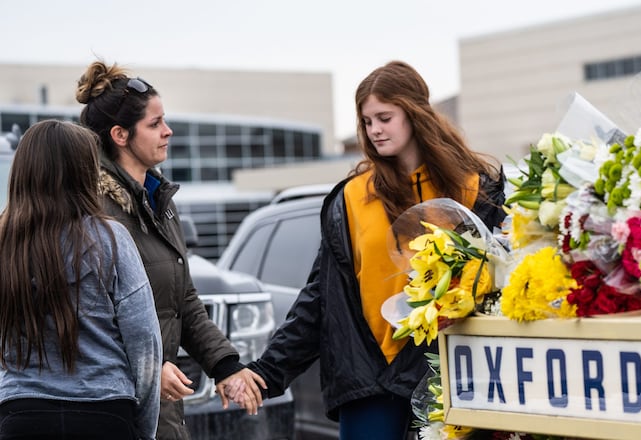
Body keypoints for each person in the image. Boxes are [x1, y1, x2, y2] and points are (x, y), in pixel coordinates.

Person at [233, 60, 506, 439]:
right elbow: (319, 299)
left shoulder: (474, 187)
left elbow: (503, 276)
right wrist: (267, 372)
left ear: (415, 114)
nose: (374, 130)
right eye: (366, 121)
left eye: (384, 117)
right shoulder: (352, 198)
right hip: (369, 376)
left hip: (451, 371)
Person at [75, 60, 262, 439]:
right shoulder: (92, 211)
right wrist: (146, 367)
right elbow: (84, 315)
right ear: (120, 135)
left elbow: (183, 300)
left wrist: (225, 365)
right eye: (155, 123)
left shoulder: (160, 200)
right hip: (112, 408)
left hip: (164, 408)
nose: (168, 131)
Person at [0, 120, 162, 439]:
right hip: (104, 414)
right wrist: (143, 429)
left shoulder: (4, 243)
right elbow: (145, 343)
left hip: (21, 415)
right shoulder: (112, 239)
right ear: (82, 175)